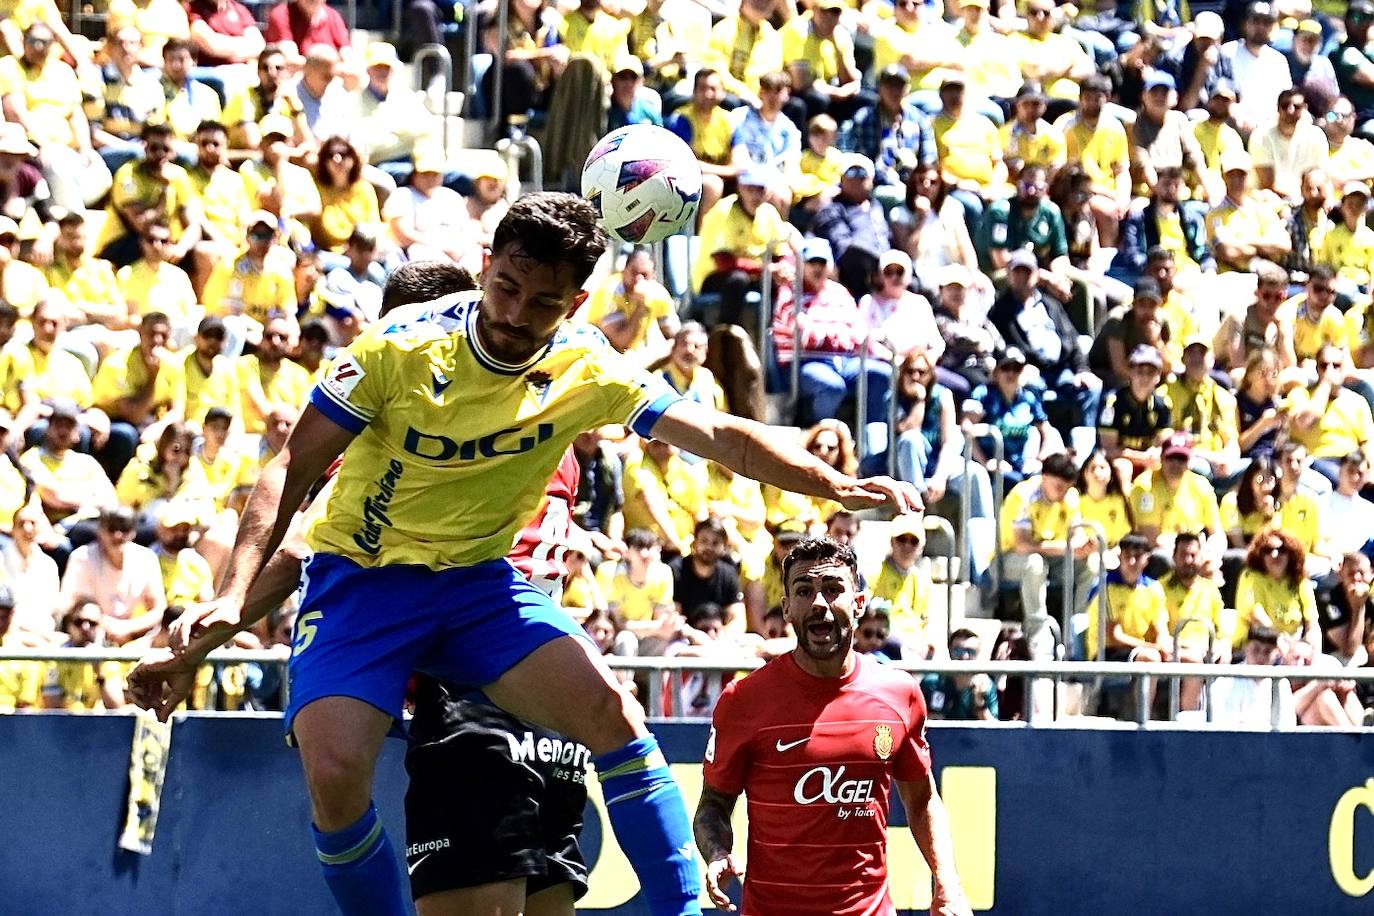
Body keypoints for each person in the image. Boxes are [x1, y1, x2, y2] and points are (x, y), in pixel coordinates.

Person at [128, 192, 920, 916]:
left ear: (574, 303)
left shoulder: (584, 364)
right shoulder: (398, 349)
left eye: (543, 302)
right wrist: (225, 608)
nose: (516, 313)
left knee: (614, 714)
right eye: (506, 287)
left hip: (478, 589)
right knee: (335, 775)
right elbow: (288, 470)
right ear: (485, 270)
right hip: (362, 586)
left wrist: (836, 485)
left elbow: (720, 436)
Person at [693, 536, 970, 916]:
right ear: (787, 607)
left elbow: (921, 799)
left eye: (833, 589)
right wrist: (718, 852)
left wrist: (948, 884)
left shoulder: (899, 693)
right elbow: (713, 804)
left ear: (858, 604)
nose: (819, 604)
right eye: (804, 591)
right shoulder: (744, 700)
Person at [922, 627, 998, 721]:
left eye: (971, 651)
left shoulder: (986, 685)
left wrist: (980, 704)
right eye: (958, 651)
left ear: (978, 653)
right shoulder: (931, 682)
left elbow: (995, 730)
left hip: (973, 735)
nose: (964, 656)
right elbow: (914, 719)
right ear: (949, 651)